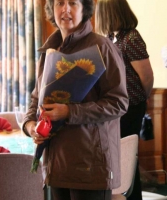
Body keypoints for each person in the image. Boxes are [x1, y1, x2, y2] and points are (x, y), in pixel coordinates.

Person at [22, 0, 129, 200]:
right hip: (55, 165)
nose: (65, 9)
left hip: (90, 165)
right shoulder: (49, 51)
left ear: (85, 9)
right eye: (59, 3)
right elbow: (36, 99)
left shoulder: (102, 46)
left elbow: (119, 103)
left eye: (73, 3)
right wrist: (31, 126)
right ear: (51, 9)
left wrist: (70, 112)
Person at [95, 0, 154, 200]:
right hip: (115, 109)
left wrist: (142, 99)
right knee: (119, 160)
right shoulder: (112, 37)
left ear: (109, 13)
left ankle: (132, 197)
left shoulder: (131, 38)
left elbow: (146, 78)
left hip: (130, 108)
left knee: (127, 159)